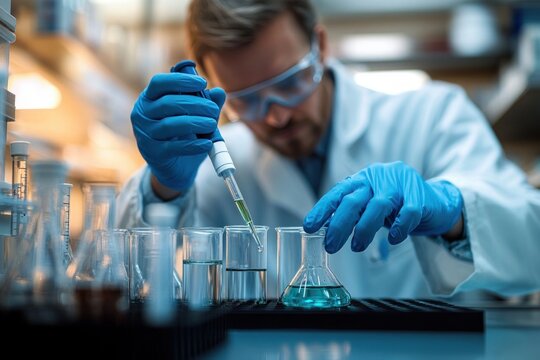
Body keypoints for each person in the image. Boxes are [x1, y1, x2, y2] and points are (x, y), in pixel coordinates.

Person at [116, 0, 540, 299]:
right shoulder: (215, 168)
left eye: (288, 83)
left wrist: (453, 209)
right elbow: (122, 282)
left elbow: (531, 244)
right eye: (246, 98)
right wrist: (164, 188)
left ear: (320, 46)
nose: (276, 117)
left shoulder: (431, 115)